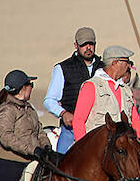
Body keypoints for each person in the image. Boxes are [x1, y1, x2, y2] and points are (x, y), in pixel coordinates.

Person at [43, 26, 102, 154]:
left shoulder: (103, 68)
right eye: (84, 44)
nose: (88, 48)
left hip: (98, 128)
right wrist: (63, 113)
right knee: (63, 164)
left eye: (91, 44)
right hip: (71, 130)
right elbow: (50, 100)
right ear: (76, 45)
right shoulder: (63, 68)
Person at [72, 46, 140, 142]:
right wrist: (83, 147)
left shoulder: (126, 90)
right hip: (97, 148)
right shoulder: (91, 86)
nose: (128, 66)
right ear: (115, 63)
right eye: (126, 62)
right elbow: (78, 120)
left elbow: (135, 120)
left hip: (123, 150)